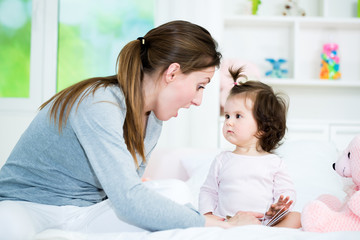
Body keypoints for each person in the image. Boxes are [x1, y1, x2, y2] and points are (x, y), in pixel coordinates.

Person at [0, 20, 262, 239]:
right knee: (8, 225)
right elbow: (129, 200)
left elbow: (128, 190)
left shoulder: (153, 120)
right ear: (172, 73)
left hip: (85, 212)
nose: (198, 100)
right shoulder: (99, 103)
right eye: (200, 85)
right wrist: (224, 226)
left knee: (174, 192)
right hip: (29, 207)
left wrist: (206, 220)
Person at [199, 66, 301, 228]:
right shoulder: (223, 160)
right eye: (227, 115)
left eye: (238, 116)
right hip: (228, 221)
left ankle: (266, 233)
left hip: (263, 222)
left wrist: (280, 207)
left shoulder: (274, 162)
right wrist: (208, 215)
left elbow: (287, 191)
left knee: (296, 217)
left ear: (262, 128)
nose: (228, 122)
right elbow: (208, 191)